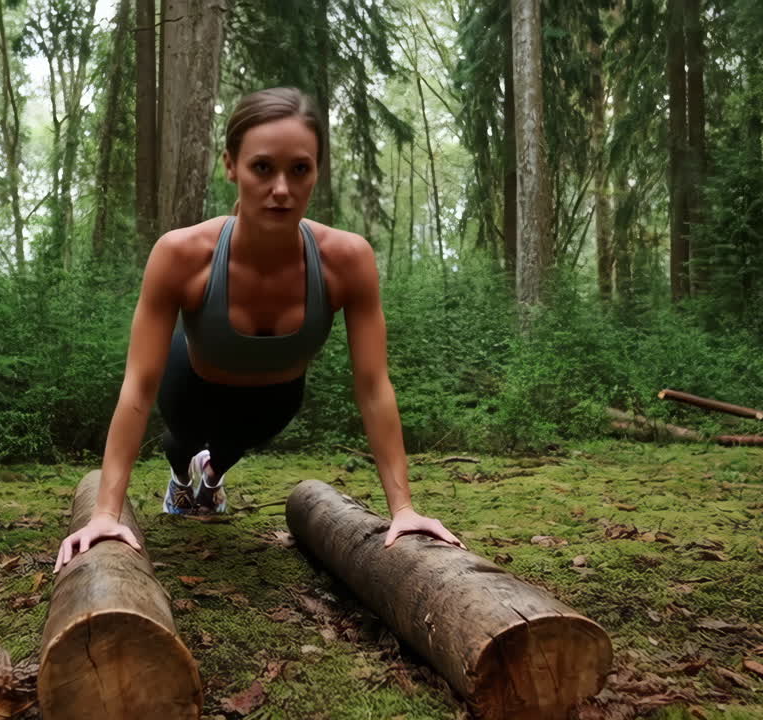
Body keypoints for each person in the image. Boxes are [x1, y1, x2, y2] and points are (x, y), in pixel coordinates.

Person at [54, 88, 464, 574]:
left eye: (300, 170)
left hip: (276, 399)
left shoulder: (348, 260)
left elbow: (373, 387)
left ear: (317, 171)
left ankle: (211, 476)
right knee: (183, 440)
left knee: (225, 453)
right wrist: (104, 513)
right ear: (231, 165)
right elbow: (139, 384)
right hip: (190, 386)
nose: (283, 189)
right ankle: (179, 470)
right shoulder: (182, 254)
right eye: (263, 168)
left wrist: (404, 510)